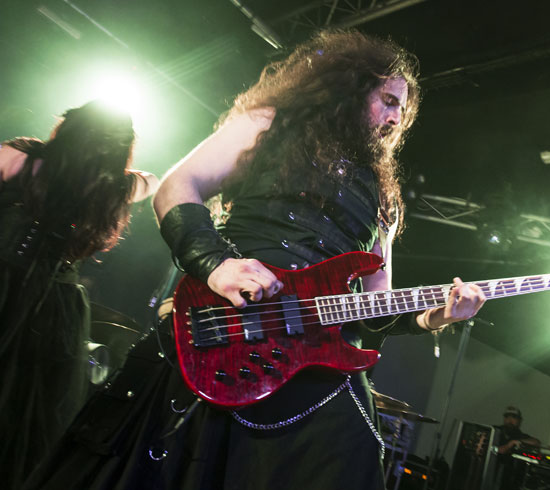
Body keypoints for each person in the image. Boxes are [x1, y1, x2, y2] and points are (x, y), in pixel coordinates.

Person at [24, 30, 485, 490]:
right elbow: (178, 186)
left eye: (403, 111)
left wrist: (435, 317)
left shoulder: (384, 200)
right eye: (388, 100)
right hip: (225, 331)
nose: (396, 117)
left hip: (316, 366)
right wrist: (216, 264)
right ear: (352, 85)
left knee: (350, 455)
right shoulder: (271, 122)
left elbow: (375, 306)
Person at [0, 100, 156, 489]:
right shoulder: (116, 188)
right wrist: (112, 168)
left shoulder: (20, 158)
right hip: (55, 308)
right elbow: (152, 181)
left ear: (68, 128)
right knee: (26, 417)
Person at [490, 406, 541, 489]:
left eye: (514, 418)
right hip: (490, 472)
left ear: (519, 421)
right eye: (507, 417)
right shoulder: (495, 431)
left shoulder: (519, 435)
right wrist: (509, 445)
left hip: (509, 479)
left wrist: (518, 441)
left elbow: (536, 442)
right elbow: (495, 450)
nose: (510, 420)